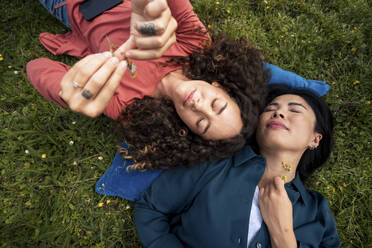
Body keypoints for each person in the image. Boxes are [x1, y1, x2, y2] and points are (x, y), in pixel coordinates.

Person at [27, 0, 268, 170]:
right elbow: (178, 7)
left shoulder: (132, 108)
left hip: (69, 6)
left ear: (188, 130)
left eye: (201, 123)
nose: (199, 106)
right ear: (220, 86)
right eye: (216, 104)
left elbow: (35, 68)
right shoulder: (197, 47)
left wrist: (67, 89)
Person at [134, 84, 340, 247]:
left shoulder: (317, 214)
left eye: (295, 110)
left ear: (315, 139)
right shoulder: (215, 164)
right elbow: (152, 207)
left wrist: (283, 235)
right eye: (270, 109)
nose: (278, 114)